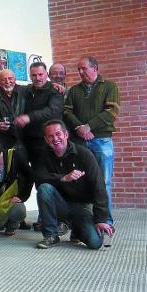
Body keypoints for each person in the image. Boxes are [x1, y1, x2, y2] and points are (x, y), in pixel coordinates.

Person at [34, 120, 113, 249]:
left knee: (95, 243)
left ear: (66, 134)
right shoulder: (43, 155)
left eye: (58, 134)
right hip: (60, 205)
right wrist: (63, 178)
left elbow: (99, 187)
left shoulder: (84, 154)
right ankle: (51, 235)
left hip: (82, 207)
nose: (55, 138)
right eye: (51, 136)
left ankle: (77, 230)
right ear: (46, 139)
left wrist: (100, 220)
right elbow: (39, 179)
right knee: (44, 188)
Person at [64, 56, 120, 227]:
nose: (80, 72)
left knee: (103, 183)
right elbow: (66, 112)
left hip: (101, 141)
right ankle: (83, 223)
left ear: (95, 68)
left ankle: (106, 222)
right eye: (78, 69)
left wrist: (89, 127)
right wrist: (79, 127)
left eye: (84, 68)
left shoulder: (110, 86)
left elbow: (112, 112)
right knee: (80, 182)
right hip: (79, 142)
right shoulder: (74, 91)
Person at [14, 62, 63, 168]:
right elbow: (10, 86)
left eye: (40, 74)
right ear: (30, 76)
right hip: (28, 141)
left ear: (47, 74)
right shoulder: (27, 90)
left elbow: (53, 111)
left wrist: (29, 117)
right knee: (28, 175)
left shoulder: (54, 91)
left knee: (46, 174)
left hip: (47, 141)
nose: (37, 78)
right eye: (34, 75)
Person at [0, 69, 27, 149]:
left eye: (10, 78)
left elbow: (38, 88)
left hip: (24, 139)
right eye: (3, 79)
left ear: (15, 79)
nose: (7, 81)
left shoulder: (25, 92)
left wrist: (53, 85)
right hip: (4, 141)